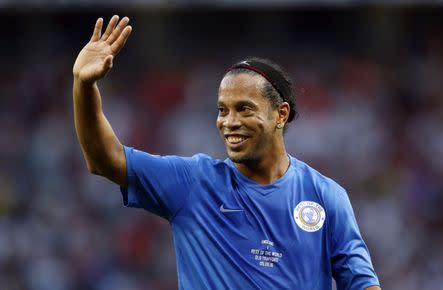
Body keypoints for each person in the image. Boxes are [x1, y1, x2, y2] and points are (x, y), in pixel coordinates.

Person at [73, 15, 381, 290]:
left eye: (244, 109)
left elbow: (362, 283)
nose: (229, 122)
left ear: (281, 114)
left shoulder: (326, 196)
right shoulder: (193, 182)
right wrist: (83, 87)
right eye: (223, 110)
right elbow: (104, 159)